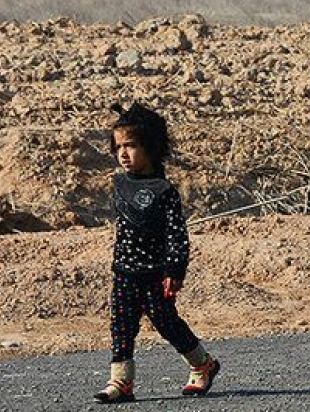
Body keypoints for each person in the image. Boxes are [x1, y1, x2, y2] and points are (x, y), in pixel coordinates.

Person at [94, 103, 220, 403]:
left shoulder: (164, 191)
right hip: (124, 272)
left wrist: (174, 270)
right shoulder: (119, 184)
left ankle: (202, 364)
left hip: (155, 275)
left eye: (131, 145)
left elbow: (177, 235)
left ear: (150, 147)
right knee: (121, 327)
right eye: (118, 147)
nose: (123, 153)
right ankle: (121, 381)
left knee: (167, 323)